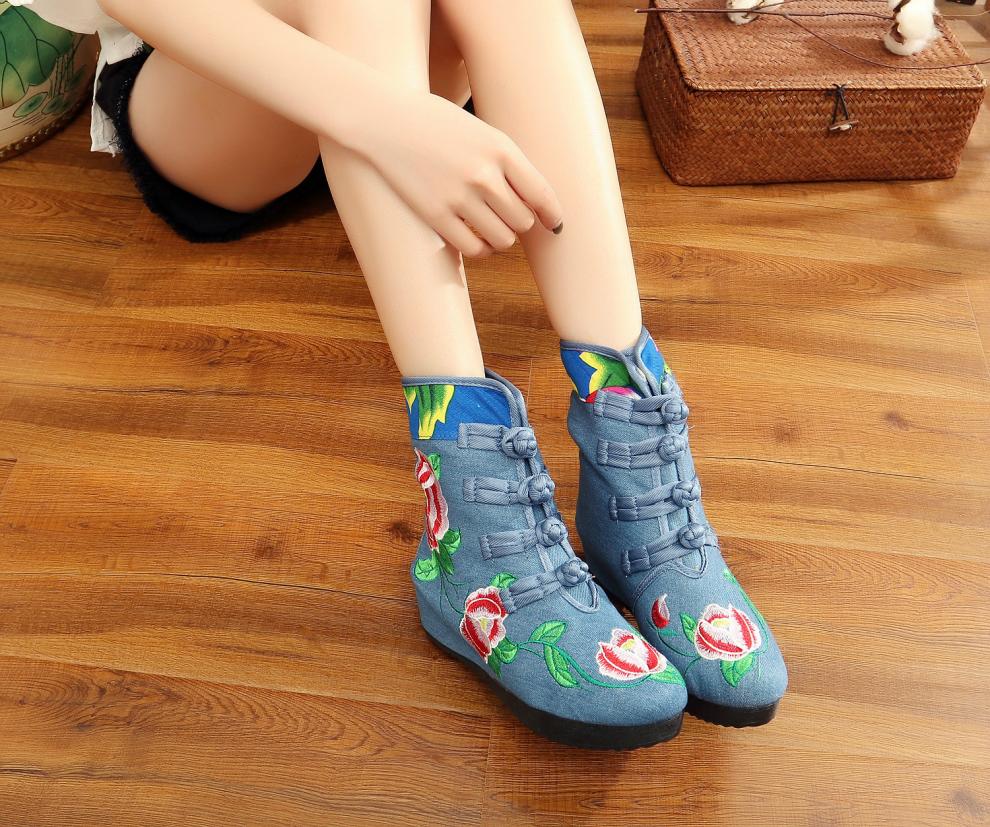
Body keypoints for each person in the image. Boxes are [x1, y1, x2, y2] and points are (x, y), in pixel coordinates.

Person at [17, 0, 787, 749]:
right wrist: (389, 119)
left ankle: (635, 465)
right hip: (227, 93)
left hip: (410, 85)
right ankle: (474, 527)